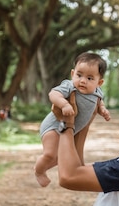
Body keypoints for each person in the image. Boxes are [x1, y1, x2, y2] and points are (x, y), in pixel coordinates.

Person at [34, 52, 111, 187]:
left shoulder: (97, 93)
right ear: (72, 73)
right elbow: (53, 93)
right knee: (50, 154)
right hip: (53, 126)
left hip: (70, 129)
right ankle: (39, 171)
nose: (82, 81)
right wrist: (64, 104)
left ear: (99, 82)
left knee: (61, 158)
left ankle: (45, 166)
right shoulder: (69, 86)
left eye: (89, 78)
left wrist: (103, 110)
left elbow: (99, 103)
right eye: (79, 75)